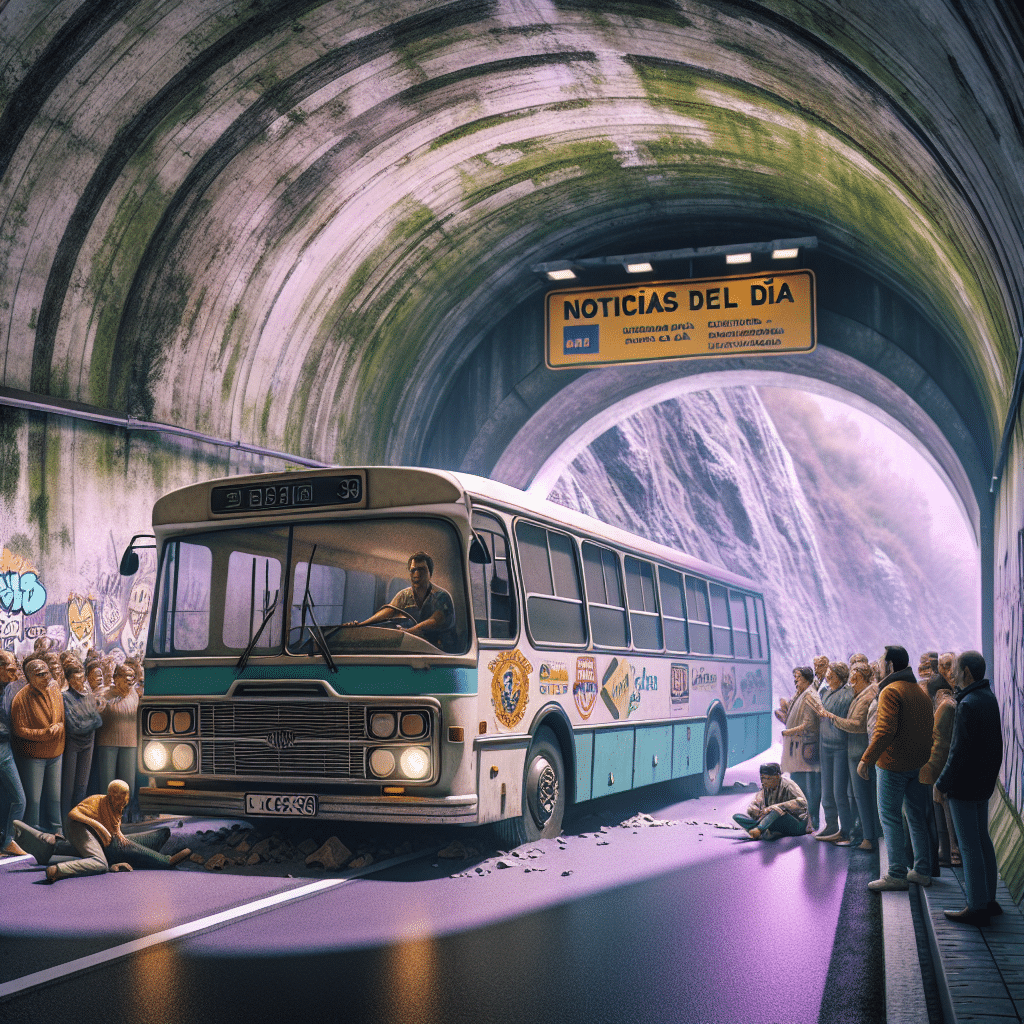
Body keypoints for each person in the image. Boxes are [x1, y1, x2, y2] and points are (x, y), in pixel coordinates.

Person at [935, 650, 1003, 924]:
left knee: (969, 847)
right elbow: (996, 745)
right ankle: (989, 900)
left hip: (964, 786)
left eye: (956, 669)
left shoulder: (967, 704)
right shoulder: (988, 698)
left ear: (967, 673)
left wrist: (941, 783)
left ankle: (975, 907)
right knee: (983, 841)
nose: (952, 673)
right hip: (983, 783)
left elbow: (957, 752)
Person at [859, 645, 934, 891]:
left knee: (890, 818)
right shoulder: (919, 691)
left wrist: (867, 759)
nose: (878, 666)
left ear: (890, 666)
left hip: (892, 765)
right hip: (917, 764)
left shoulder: (890, 690)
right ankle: (922, 870)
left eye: (881, 662)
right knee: (916, 817)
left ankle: (896, 873)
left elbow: (885, 730)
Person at [13, 779, 191, 881]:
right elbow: (74, 814)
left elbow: (115, 829)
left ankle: (49, 843)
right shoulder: (96, 801)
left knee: (159, 834)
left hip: (102, 838)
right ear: (111, 795)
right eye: (119, 798)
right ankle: (59, 870)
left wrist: (116, 834)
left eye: (125, 799)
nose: (122, 802)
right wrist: (100, 828)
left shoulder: (117, 808)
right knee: (99, 863)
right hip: (78, 826)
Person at [820, 661, 879, 850]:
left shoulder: (865, 696)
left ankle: (866, 837)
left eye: (853, 673)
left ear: (858, 675)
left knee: (861, 797)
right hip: (853, 751)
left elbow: (856, 725)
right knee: (857, 796)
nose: (850, 677)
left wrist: (832, 717)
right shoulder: (858, 695)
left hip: (858, 751)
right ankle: (859, 834)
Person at [347, 552, 456, 651]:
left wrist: (408, 632)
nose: (416, 574)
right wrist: (361, 625)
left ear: (430, 573)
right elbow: (389, 611)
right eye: (413, 570)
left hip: (438, 651)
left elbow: (436, 620)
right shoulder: (404, 595)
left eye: (421, 570)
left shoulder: (441, 596)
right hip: (410, 648)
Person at [10, 653, 65, 833]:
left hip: (56, 752)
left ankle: (58, 832)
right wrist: (44, 734)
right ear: (29, 677)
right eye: (40, 674)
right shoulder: (21, 699)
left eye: (47, 673)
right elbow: (20, 730)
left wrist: (59, 727)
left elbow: (62, 716)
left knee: (55, 797)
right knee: (34, 800)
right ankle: (33, 834)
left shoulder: (55, 689)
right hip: (34, 756)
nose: (46, 677)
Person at [919, 665, 960, 867]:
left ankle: (952, 852)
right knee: (942, 810)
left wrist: (928, 768)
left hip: (941, 766)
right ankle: (948, 851)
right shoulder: (949, 705)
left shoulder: (945, 707)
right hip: (943, 766)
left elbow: (940, 743)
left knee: (945, 810)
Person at [59, 651, 104, 820]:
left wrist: (87, 721)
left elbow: (97, 721)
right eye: (76, 679)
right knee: (68, 789)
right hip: (73, 744)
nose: (81, 682)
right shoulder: (65, 697)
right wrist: (89, 720)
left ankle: (79, 822)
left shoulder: (88, 695)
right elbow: (73, 726)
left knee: (81, 787)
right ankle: (65, 823)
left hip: (88, 743)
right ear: (69, 680)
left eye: (82, 678)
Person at [813, 661, 854, 843]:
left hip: (840, 746)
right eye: (827, 675)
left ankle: (846, 830)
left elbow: (835, 712)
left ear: (840, 676)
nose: (828, 677)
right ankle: (831, 824)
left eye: (831, 675)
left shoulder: (847, 694)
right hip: (825, 744)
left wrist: (822, 711)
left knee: (839, 792)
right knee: (826, 790)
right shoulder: (825, 692)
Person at [780, 666, 821, 831]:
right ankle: (804, 818)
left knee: (805, 787)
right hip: (798, 749)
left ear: (807, 678)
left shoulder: (810, 695)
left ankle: (811, 819)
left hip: (805, 749)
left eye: (798, 677)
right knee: (798, 784)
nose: (796, 680)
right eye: (795, 677)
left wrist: (788, 731)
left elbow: (809, 724)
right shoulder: (801, 694)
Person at [732, 763, 809, 839]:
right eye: (762, 778)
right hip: (771, 820)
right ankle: (763, 828)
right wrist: (755, 810)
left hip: (796, 823)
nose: (764, 781)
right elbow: (756, 803)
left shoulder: (788, 785)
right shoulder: (765, 787)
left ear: (778, 776)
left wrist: (776, 807)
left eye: (768, 778)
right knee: (737, 816)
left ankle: (759, 829)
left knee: (776, 811)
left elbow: (802, 803)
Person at [95, 662, 139, 792]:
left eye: (131, 676)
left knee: (128, 783)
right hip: (107, 742)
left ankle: (125, 811)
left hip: (130, 743)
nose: (129, 680)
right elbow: (95, 714)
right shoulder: (104, 694)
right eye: (126, 676)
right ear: (116, 678)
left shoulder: (134, 694)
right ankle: (107, 811)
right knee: (107, 784)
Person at [0, 651, 28, 855]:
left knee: (16, 798)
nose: (14, 675)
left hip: (5, 746)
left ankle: (7, 840)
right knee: (17, 798)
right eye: (10, 670)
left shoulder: (7, 689)